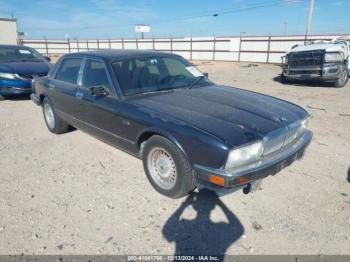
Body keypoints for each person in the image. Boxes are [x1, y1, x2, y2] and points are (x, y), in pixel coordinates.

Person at [162, 189, 244, 257]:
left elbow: (166, 232)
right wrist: (220, 203)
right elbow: (239, 229)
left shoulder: (185, 224)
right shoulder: (219, 227)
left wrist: (184, 205)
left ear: (194, 206)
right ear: (213, 208)